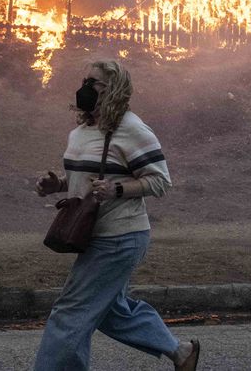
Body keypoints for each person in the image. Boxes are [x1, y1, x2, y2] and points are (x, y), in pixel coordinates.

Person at [33, 59, 200, 371]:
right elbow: (90, 175)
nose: (84, 88)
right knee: (110, 311)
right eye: (84, 81)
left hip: (120, 236)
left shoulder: (132, 129)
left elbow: (160, 181)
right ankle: (180, 352)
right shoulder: (82, 130)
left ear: (112, 91)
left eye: (93, 83)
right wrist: (58, 184)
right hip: (94, 233)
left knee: (70, 313)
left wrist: (117, 190)